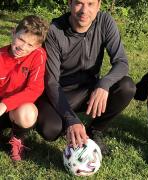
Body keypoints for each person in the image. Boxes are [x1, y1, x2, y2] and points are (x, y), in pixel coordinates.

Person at [36, 0, 136, 154]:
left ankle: (95, 130)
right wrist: (71, 119)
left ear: (99, 5)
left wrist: (104, 84)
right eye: (79, 3)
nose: (84, 10)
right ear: (70, 3)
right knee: (50, 129)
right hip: (60, 93)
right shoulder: (55, 30)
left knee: (126, 87)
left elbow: (121, 62)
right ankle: (68, 124)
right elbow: (51, 82)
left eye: (90, 4)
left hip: (89, 90)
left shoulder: (105, 21)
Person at [0, 15, 49, 161]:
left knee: (28, 112)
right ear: (14, 32)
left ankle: (18, 139)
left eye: (30, 45)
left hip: (15, 109)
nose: (23, 47)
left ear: (38, 46)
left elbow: (34, 90)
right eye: (21, 39)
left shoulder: (38, 55)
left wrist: (5, 104)